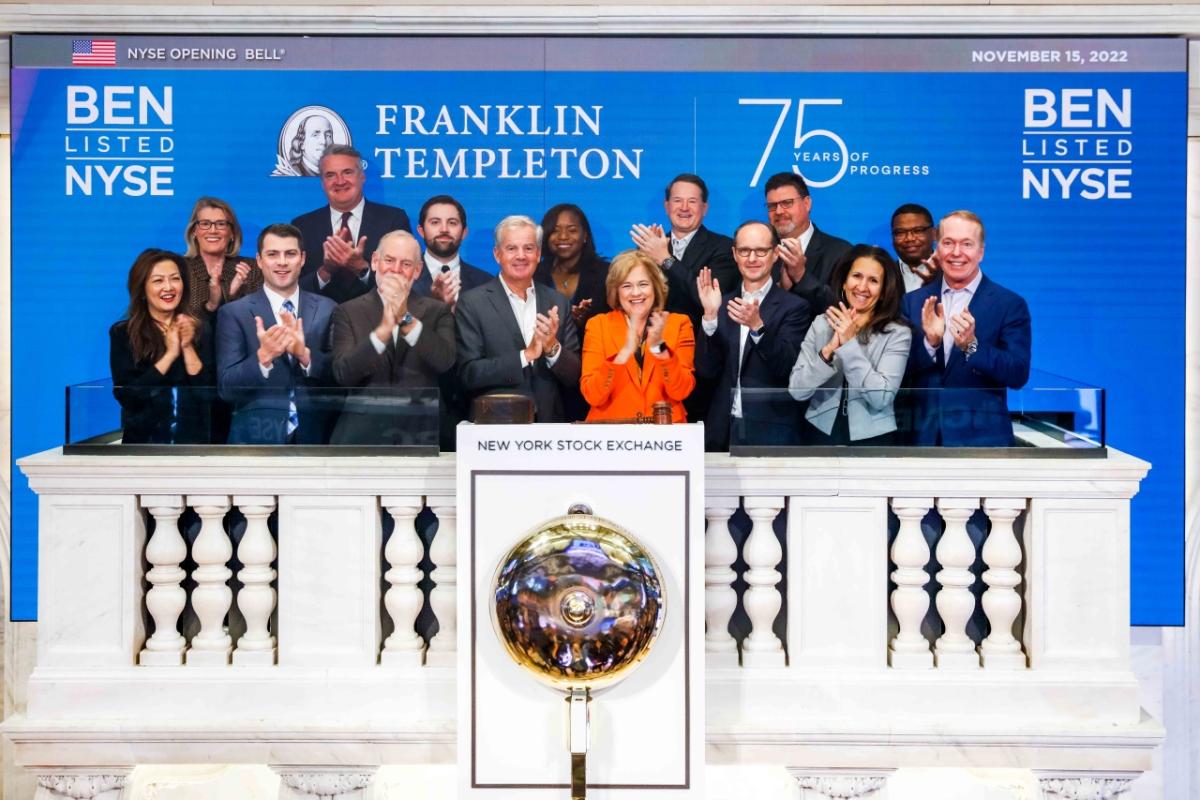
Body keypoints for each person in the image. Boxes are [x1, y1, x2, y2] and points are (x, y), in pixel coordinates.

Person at [901, 210, 1031, 446]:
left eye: (967, 244)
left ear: (981, 252)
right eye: (948, 243)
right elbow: (898, 371)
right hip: (923, 438)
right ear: (937, 248)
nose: (956, 252)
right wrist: (930, 344)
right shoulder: (912, 302)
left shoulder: (1009, 304)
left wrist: (972, 346)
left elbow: (1018, 373)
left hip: (983, 441)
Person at [329, 230, 456, 447]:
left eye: (406, 264)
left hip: (424, 432)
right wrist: (383, 331)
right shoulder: (347, 311)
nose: (396, 270)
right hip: (363, 434)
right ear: (375, 262)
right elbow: (343, 373)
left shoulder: (438, 311)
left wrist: (405, 318)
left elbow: (445, 361)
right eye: (389, 260)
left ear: (417, 271)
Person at [695, 221, 811, 451]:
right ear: (734, 254)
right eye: (744, 251)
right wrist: (709, 316)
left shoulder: (795, 307)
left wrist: (757, 327)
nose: (752, 258)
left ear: (775, 253)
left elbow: (787, 367)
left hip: (772, 430)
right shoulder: (721, 303)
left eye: (761, 251)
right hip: (721, 430)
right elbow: (706, 371)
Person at [217, 223, 337, 444]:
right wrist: (262, 358)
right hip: (255, 439)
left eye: (290, 254)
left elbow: (340, 378)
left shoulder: (328, 308)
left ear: (302, 259)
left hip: (316, 439)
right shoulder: (234, 313)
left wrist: (305, 356)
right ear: (260, 261)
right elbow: (226, 389)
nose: (282, 262)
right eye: (273, 254)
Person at [455, 215, 581, 422]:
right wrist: (526, 355)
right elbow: (469, 374)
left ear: (539, 254)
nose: (521, 256)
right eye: (511, 248)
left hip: (549, 427)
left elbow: (574, 375)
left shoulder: (557, 301)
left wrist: (552, 348)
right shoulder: (472, 303)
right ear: (497, 254)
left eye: (529, 248)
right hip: (495, 426)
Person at [788, 245, 912, 445]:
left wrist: (849, 345)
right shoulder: (821, 323)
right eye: (856, 276)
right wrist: (827, 352)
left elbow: (881, 398)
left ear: (883, 291)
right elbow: (797, 391)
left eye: (873, 281)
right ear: (844, 282)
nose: (862, 287)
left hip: (873, 438)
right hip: (819, 432)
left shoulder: (897, 333)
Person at [110, 249, 212, 444]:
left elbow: (207, 394)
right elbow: (128, 396)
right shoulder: (123, 333)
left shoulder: (200, 329)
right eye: (158, 281)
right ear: (142, 289)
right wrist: (170, 354)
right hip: (144, 443)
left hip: (194, 443)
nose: (169, 287)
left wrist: (187, 346)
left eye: (175, 279)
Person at [581, 250, 695, 422]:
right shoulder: (598, 325)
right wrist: (623, 354)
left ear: (655, 287)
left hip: (665, 434)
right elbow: (593, 395)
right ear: (616, 291)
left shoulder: (679, 324)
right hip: (612, 434)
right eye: (627, 286)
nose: (636, 293)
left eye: (643, 284)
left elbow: (680, 391)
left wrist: (660, 348)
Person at [292, 144, 412, 304]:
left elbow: (405, 281)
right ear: (322, 183)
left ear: (362, 177)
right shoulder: (302, 226)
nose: (340, 181)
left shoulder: (393, 220)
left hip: (378, 321)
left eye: (347, 172)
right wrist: (325, 271)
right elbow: (291, 288)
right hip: (319, 325)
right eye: (330, 175)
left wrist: (361, 268)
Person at [629, 173, 739, 325]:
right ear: (667, 206)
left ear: (705, 208)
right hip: (654, 338)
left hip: (700, 340)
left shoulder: (724, 247)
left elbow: (710, 300)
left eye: (692, 201)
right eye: (677, 201)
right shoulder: (650, 247)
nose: (684, 208)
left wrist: (666, 260)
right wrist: (643, 260)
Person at [764, 171, 851, 314]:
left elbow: (844, 309)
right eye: (772, 206)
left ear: (807, 203)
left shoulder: (840, 252)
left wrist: (800, 276)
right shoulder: (761, 253)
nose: (778, 211)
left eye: (787, 203)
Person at [182, 197, 262, 319]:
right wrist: (215, 302)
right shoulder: (179, 269)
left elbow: (256, 320)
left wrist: (233, 295)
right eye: (205, 224)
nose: (213, 230)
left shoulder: (253, 269)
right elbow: (182, 321)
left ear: (232, 233)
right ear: (194, 231)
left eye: (221, 224)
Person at [535, 203, 611, 329]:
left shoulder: (606, 274)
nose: (563, 237)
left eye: (572, 230)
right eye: (555, 230)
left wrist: (587, 318)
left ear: (585, 235)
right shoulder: (533, 274)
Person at [413, 194, 492, 309]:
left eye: (452, 223)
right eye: (435, 222)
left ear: (464, 232)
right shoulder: (404, 277)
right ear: (421, 231)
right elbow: (402, 320)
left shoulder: (485, 283)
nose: (444, 229)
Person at [891, 202, 940, 292]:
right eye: (900, 232)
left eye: (918, 231)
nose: (909, 238)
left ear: (934, 234)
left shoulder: (950, 272)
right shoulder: (885, 274)